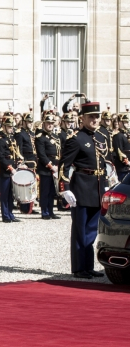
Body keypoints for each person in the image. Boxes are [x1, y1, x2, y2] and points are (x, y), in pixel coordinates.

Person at [59, 102, 107, 280]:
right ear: (83, 118)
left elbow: (103, 164)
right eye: (91, 117)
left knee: (92, 231)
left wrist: (107, 184)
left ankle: (89, 266)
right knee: (80, 230)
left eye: (97, 116)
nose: (95, 120)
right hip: (81, 188)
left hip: (97, 188)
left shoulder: (101, 137)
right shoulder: (76, 138)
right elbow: (63, 165)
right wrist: (65, 189)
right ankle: (79, 268)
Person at [0, 116, 24, 223]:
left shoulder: (12, 139)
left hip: (13, 169)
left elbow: (16, 153)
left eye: (12, 126)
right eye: (9, 126)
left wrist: (19, 163)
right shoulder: (0, 140)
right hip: (5, 170)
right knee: (5, 193)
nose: (11, 128)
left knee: (11, 194)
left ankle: (10, 213)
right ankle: (5, 215)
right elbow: (0, 157)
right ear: (3, 126)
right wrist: (10, 168)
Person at [35, 114, 61, 220]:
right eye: (48, 123)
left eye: (51, 123)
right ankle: (44, 211)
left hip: (55, 166)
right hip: (46, 168)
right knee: (45, 191)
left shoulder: (54, 137)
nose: (50, 125)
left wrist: (58, 165)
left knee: (52, 191)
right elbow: (42, 155)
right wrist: (51, 166)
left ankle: (50, 211)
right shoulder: (40, 137)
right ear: (44, 124)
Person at [112, 113, 130, 181]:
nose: (127, 123)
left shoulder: (126, 134)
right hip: (123, 168)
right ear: (120, 123)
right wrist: (128, 163)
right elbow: (120, 154)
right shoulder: (118, 136)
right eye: (125, 122)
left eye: (128, 122)